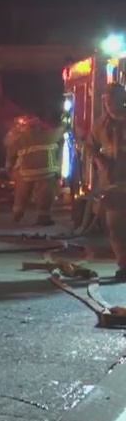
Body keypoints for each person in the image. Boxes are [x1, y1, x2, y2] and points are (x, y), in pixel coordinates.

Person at [90, 85, 126, 281]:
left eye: (113, 100)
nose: (109, 104)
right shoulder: (100, 126)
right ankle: (124, 266)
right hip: (112, 186)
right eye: (106, 101)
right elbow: (91, 145)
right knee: (117, 227)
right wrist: (98, 159)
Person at [4, 113, 61, 226]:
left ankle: (17, 213)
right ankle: (43, 217)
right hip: (46, 172)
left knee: (21, 193)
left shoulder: (21, 138)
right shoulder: (48, 135)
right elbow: (59, 133)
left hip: (26, 172)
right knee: (45, 194)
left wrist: (9, 166)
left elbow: (10, 150)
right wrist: (65, 124)